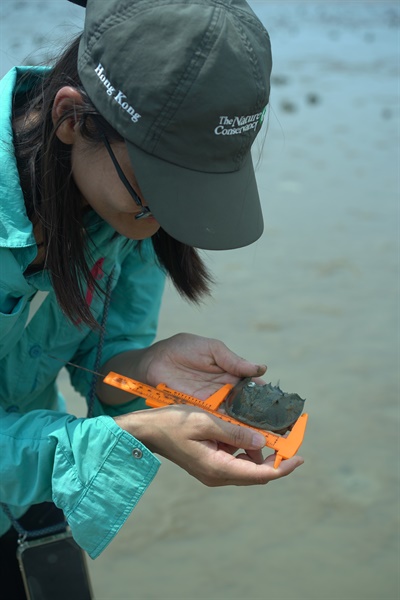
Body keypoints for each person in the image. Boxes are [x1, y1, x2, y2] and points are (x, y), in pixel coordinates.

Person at [0, 0, 304, 596]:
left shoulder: (123, 211)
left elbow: (105, 355)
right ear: (72, 120)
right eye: (157, 193)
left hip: (33, 472)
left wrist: (142, 371)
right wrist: (131, 436)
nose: (166, 220)